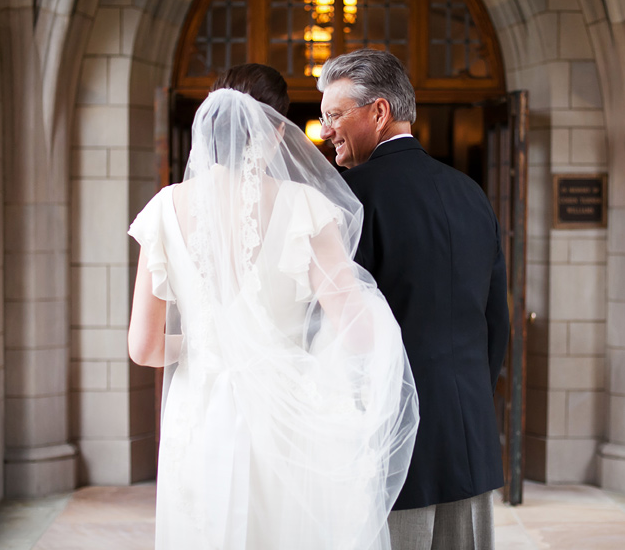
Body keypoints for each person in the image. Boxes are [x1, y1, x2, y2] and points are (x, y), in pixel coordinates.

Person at [127, 63, 419, 549]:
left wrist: (203, 344)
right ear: (277, 129)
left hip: (197, 414)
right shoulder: (304, 206)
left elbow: (144, 347)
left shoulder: (165, 208)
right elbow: (360, 331)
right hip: (286, 412)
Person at [317, 49, 509, 550]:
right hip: (470, 440)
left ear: (378, 112)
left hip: (392, 444)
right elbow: (497, 323)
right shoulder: (471, 193)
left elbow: (341, 331)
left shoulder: (348, 198)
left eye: (334, 115)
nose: (326, 130)